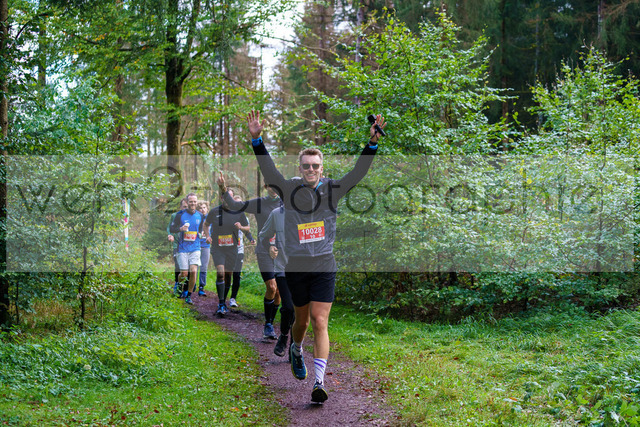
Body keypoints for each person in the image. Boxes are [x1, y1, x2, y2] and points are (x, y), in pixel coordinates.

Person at [245, 109, 385, 403]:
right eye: (306, 166)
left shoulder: (332, 189)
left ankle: (319, 382)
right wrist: (257, 141)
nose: (311, 169)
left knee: (320, 321)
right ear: (300, 167)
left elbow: (357, 173)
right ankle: (296, 348)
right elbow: (269, 172)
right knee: (302, 323)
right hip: (296, 266)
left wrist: (371, 144)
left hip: (324, 264)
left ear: (322, 168)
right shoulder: (288, 189)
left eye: (315, 166)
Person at [216, 172, 283, 340]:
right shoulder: (259, 203)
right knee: (272, 287)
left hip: (282, 251)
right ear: (266, 187)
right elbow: (235, 205)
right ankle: (268, 325)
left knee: (279, 293)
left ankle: (271, 321)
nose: (273, 188)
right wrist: (223, 188)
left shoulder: (286, 203)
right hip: (264, 250)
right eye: (269, 185)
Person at [204, 189, 251, 316]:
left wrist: (241, 227)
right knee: (220, 274)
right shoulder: (214, 211)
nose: (228, 200)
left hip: (232, 248)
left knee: (228, 276)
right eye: (225, 197)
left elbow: (247, 228)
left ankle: (224, 300)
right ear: (221, 198)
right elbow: (206, 224)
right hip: (218, 248)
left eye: (230, 197)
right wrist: (207, 236)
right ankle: (221, 303)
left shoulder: (238, 212)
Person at [258, 205, 294, 358]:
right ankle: (284, 336)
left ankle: (295, 346)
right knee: (289, 307)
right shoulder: (277, 213)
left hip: (304, 269)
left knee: (300, 311)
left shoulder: (309, 211)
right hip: (283, 268)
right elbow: (264, 236)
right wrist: (270, 245)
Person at [169, 193, 205, 305]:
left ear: (196, 202)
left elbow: (201, 229)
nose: (193, 203)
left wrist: (202, 234)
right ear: (187, 202)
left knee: (193, 271)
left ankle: (189, 296)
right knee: (184, 273)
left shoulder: (200, 215)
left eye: (195, 201)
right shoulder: (180, 215)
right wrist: (181, 229)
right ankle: (179, 285)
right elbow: (172, 228)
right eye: (191, 202)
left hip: (195, 247)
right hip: (182, 248)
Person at [229, 194, 256, 308]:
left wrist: (251, 239)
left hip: (239, 248)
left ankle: (233, 298)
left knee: (237, 274)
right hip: (227, 249)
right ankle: (223, 294)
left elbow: (247, 231)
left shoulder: (244, 217)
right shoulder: (228, 215)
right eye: (236, 203)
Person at [168, 198, 188, 296]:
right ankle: (178, 285)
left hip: (188, 245)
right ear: (180, 207)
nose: (186, 209)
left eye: (187, 207)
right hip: (177, 244)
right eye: (184, 207)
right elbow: (169, 227)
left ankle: (186, 289)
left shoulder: (193, 216)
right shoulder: (175, 215)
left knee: (188, 267)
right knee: (178, 266)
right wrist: (170, 235)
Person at [196, 201, 211, 297]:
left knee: (204, 267)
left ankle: (201, 287)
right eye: (200, 208)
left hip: (206, 246)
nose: (202, 209)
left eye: (204, 207)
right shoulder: (196, 218)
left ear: (207, 209)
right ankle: (192, 285)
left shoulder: (211, 219)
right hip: (196, 245)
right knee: (194, 267)